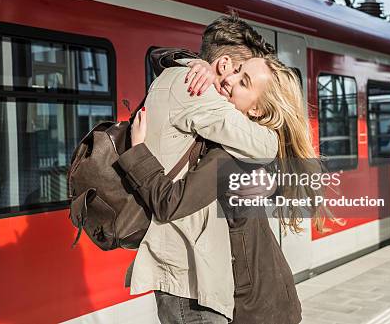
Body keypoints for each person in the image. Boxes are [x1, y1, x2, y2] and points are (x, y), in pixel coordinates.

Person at [119, 53, 325, 324]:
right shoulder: (245, 145)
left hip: (255, 306)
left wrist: (138, 153)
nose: (228, 78)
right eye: (237, 70)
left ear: (256, 110)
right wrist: (194, 62)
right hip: (268, 296)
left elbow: (171, 204)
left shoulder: (233, 155)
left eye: (243, 81)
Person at [125, 14, 278, 324]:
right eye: (243, 75)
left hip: (191, 270)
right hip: (189, 276)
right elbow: (266, 146)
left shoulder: (179, 77)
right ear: (224, 66)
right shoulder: (194, 87)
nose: (235, 83)